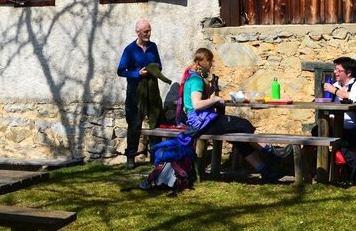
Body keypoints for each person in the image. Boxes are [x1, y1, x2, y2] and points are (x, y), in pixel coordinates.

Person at [181, 48, 281, 183]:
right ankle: (271, 153)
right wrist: (215, 100)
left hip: (201, 121)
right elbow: (197, 104)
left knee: (239, 139)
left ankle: (265, 171)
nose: (211, 65)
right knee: (244, 124)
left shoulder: (192, 76)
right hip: (202, 123)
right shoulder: (196, 80)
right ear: (205, 61)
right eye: (211, 61)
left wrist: (212, 89)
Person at [117, 19, 163, 169]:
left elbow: (159, 64)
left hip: (152, 90)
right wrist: (138, 73)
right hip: (135, 92)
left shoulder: (153, 47)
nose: (148, 34)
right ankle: (131, 157)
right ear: (138, 32)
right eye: (145, 31)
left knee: (155, 122)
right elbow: (121, 71)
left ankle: (154, 156)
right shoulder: (129, 50)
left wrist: (154, 69)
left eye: (149, 30)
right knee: (135, 124)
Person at [321, 56, 356, 150]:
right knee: (317, 130)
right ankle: (320, 159)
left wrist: (334, 91)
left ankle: (341, 154)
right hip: (334, 125)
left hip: (354, 127)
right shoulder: (336, 85)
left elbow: (354, 98)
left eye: (339, 70)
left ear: (349, 73)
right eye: (335, 69)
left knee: (347, 143)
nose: (335, 72)